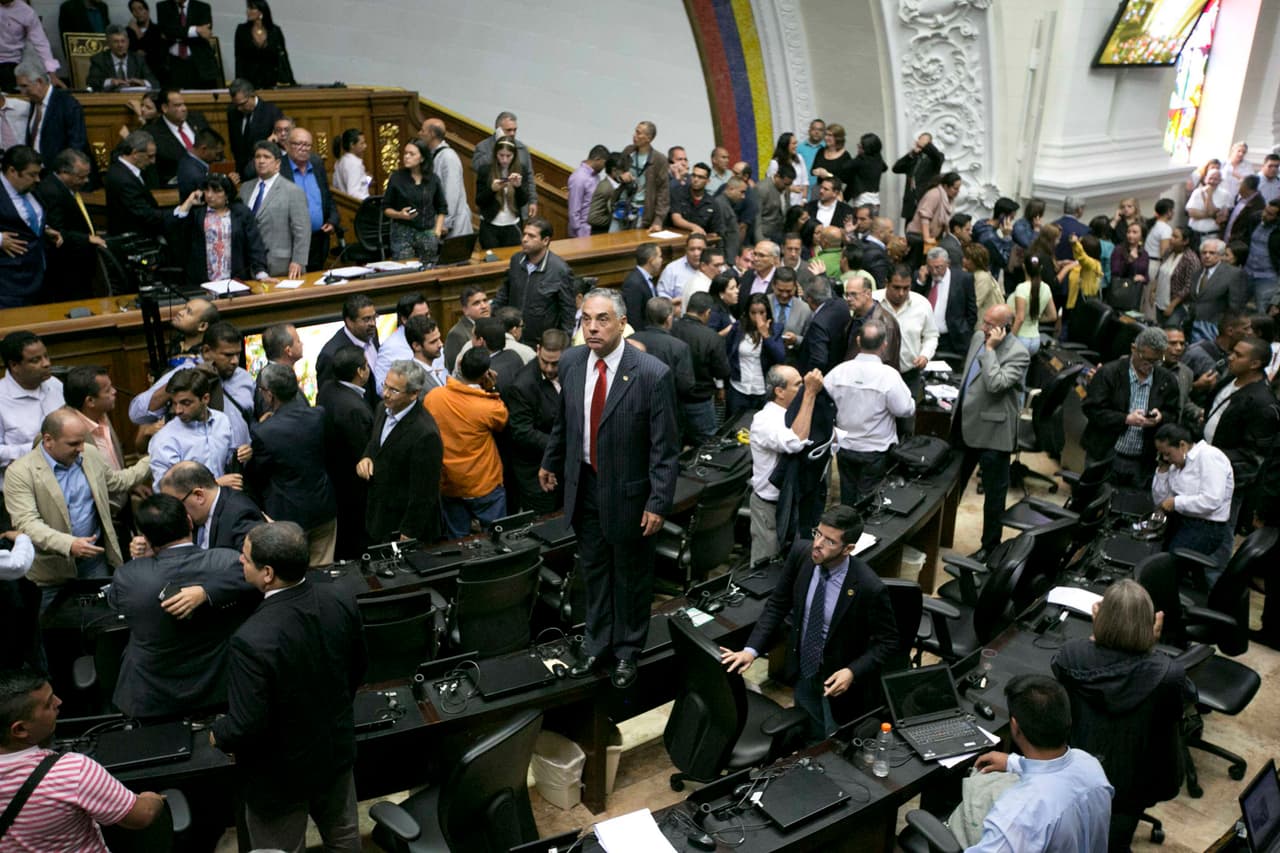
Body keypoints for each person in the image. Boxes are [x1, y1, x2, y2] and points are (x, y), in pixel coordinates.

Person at [538, 288, 679, 689]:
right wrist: (551, 461)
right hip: (584, 486)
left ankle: (627, 650)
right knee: (594, 571)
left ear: (621, 322)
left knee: (631, 578)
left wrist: (658, 500)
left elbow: (665, 448)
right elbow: (565, 423)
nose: (593, 327)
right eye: (586, 319)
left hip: (632, 495)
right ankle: (597, 643)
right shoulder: (571, 361)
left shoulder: (651, 373)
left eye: (602, 319)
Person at [210, 521, 366, 853]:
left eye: (245, 556)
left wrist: (218, 733)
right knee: (345, 841)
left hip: (278, 778)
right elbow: (357, 669)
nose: (240, 561)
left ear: (267, 573)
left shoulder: (250, 639)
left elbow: (246, 724)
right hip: (334, 753)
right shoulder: (340, 597)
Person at [722, 505, 897, 740]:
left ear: (849, 549)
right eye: (818, 534)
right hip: (804, 666)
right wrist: (751, 650)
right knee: (809, 733)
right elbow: (777, 604)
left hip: (839, 680)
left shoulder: (869, 587)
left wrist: (852, 672)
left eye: (830, 542)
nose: (818, 544)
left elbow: (888, 642)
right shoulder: (801, 554)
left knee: (837, 741)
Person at [1053, 579, 1195, 851]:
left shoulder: (1071, 656)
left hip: (1081, 773)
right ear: (1152, 624)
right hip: (1135, 780)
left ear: (1098, 616)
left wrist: (1098, 635)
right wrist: (1149, 646)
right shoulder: (1168, 674)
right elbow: (1183, 704)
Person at [108, 493, 254, 719]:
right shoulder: (228, 561)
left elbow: (118, 605)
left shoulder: (129, 576)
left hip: (152, 694)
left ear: (145, 537)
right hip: (220, 686)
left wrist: (142, 562)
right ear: (188, 521)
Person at [0, 670, 166, 850]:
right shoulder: (73, 771)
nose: (58, 702)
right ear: (20, 730)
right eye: (48, 704)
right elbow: (143, 816)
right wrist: (152, 798)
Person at [4, 408, 150, 603]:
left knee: (101, 618)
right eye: (73, 443)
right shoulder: (20, 472)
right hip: (50, 572)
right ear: (48, 441)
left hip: (94, 561)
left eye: (82, 441)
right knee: (53, 630)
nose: (81, 448)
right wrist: (69, 544)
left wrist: (153, 457)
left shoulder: (89, 454)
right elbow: (27, 524)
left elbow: (116, 482)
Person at [965, 675, 1113, 852]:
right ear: (1068, 719)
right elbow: (1055, 774)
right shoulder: (1089, 765)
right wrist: (1012, 762)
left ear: (1015, 727)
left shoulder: (1018, 816)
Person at [953, 305, 1029, 558]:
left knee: (994, 497)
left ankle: (990, 547)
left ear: (1004, 328)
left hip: (994, 433)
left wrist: (990, 350)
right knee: (950, 486)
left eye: (989, 325)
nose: (983, 329)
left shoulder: (1019, 353)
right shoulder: (977, 336)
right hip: (964, 424)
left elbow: (996, 384)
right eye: (983, 322)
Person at [249, 363, 337, 565]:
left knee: (293, 574)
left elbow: (258, 475)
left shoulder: (263, 432)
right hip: (323, 506)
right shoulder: (319, 415)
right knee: (324, 568)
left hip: (287, 515)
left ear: (270, 395)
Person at [825, 320, 915, 504]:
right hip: (876, 450)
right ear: (884, 345)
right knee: (869, 502)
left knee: (847, 498)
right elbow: (905, 409)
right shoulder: (888, 376)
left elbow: (823, 402)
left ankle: (848, 529)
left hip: (845, 447)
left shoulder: (839, 372)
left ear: (858, 341)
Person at [358, 360, 443, 544]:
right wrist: (366, 457)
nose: (385, 394)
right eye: (385, 386)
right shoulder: (383, 408)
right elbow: (376, 443)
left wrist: (409, 532)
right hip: (378, 515)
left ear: (414, 394)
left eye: (394, 390)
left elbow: (425, 492)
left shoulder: (425, 434)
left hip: (403, 527)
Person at [1203, 337, 1280, 528]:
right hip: (1205, 468)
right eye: (1232, 352)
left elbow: (1253, 457)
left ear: (1255, 364)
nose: (1230, 358)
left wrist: (1210, 460)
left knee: (1219, 531)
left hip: (1226, 481)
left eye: (1238, 355)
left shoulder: (1263, 403)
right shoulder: (1230, 379)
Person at [1152, 423, 1235, 578]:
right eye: (1162, 454)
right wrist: (1162, 470)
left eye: (1168, 454)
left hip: (1206, 528)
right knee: (1152, 551)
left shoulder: (1209, 456)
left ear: (1182, 445)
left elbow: (1211, 500)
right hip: (1182, 521)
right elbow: (1161, 500)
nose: (1165, 458)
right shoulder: (1176, 465)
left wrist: (1176, 502)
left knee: (1165, 568)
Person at [314, 347, 373, 559]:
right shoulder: (354, 409)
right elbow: (363, 453)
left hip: (333, 479)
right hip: (353, 487)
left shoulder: (328, 388)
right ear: (360, 371)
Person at [501, 329, 567, 514]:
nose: (549, 369)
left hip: (566, 470)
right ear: (538, 350)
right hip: (536, 473)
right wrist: (561, 445)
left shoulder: (572, 371)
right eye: (545, 361)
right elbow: (522, 432)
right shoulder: (523, 386)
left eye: (555, 363)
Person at [149, 367, 252, 485]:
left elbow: (228, 461)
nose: (178, 410)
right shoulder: (165, 439)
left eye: (185, 403)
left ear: (205, 399)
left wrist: (242, 455)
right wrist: (214, 485)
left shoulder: (222, 421)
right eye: (174, 403)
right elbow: (166, 489)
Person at [173, 173, 268, 287]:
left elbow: (254, 244)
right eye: (207, 190)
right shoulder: (197, 213)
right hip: (202, 281)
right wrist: (188, 203)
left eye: (216, 191)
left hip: (235, 280)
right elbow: (175, 230)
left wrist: (260, 272)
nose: (210, 195)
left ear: (227, 194)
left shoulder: (241, 213)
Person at [493, 217, 576, 342]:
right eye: (524, 234)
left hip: (540, 341)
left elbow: (568, 312)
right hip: (511, 336)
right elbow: (504, 293)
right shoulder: (516, 260)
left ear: (545, 240)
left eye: (531, 236)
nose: (524, 239)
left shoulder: (560, 270)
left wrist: (564, 342)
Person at [0, 332, 64, 491]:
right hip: (22, 490)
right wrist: (39, 448)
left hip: (64, 482)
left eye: (46, 356)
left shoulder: (54, 385)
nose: (46, 363)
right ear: (14, 365)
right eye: (35, 360)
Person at [155, 460, 263, 552]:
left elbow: (252, 567)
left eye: (176, 505)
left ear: (199, 496)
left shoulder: (239, 515)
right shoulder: (196, 515)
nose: (175, 512)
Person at [239, 140, 309, 279]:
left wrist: (298, 261)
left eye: (266, 157)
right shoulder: (245, 188)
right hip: (248, 264)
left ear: (277, 164)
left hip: (281, 264)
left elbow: (302, 230)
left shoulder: (292, 191)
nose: (261, 161)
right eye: (258, 157)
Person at [673, 291, 732, 445]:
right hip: (701, 401)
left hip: (673, 400)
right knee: (706, 446)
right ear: (707, 313)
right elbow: (722, 371)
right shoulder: (712, 337)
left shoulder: (671, 329)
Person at [277, 126, 338, 272]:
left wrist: (332, 220)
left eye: (307, 145)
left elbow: (327, 197)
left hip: (319, 238)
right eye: (298, 144)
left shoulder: (316, 164)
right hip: (291, 240)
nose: (303, 148)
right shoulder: (279, 166)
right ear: (287, 145)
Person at [1, 147, 53, 308]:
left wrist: (44, 229)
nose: (38, 179)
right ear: (12, 171)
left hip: (37, 276)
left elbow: (28, 220)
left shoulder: (29, 189)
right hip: (8, 285)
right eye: (32, 174)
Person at [14, 64, 87, 172]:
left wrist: (63, 173)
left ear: (39, 82)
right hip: (38, 173)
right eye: (20, 87)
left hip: (61, 173)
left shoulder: (66, 103)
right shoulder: (34, 102)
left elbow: (77, 143)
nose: (22, 92)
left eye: (25, 86)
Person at [726, 293, 786, 420]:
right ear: (747, 313)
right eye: (753, 313)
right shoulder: (738, 328)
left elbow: (780, 357)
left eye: (762, 312)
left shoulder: (775, 329)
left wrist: (766, 336)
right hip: (739, 388)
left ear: (767, 312)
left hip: (763, 390)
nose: (757, 317)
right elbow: (727, 353)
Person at [104, 131, 170, 239]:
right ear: (135, 154)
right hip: (135, 240)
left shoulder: (121, 168)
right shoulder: (123, 179)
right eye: (150, 156)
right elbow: (144, 213)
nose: (153, 161)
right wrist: (177, 213)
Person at [471, 111, 537, 218]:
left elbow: (529, 176)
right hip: (492, 208)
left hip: (515, 208)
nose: (512, 133)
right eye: (508, 130)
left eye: (515, 130)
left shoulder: (521, 148)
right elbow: (476, 167)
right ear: (498, 129)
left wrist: (533, 200)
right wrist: (497, 146)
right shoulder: (483, 147)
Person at [316, 293, 379, 404]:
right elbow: (328, 398)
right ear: (349, 322)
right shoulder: (330, 355)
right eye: (366, 319)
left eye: (374, 317)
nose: (373, 323)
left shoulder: (371, 333)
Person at [916, 245, 978, 355]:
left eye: (938, 267)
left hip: (952, 339)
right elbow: (914, 301)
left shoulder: (963, 279)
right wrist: (920, 282)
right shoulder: (923, 277)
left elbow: (971, 310)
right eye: (931, 267)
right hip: (925, 339)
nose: (934, 272)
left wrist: (965, 330)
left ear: (948, 264)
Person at [1187, 238, 1248, 344]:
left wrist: (1226, 329)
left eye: (1212, 253)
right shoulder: (1197, 274)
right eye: (1204, 253)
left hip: (1215, 328)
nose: (1207, 256)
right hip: (1194, 326)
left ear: (1220, 255)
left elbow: (1236, 306)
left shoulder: (1233, 274)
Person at [416, 118, 470, 239]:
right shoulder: (433, 155)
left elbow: (452, 193)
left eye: (422, 130)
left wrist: (445, 223)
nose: (419, 133)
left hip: (452, 227)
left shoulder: (448, 157)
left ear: (432, 134)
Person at [475, 138, 528, 249]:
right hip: (490, 226)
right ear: (495, 155)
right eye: (501, 155)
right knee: (491, 262)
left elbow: (523, 201)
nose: (504, 160)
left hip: (512, 225)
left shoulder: (521, 170)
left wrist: (518, 187)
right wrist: (492, 190)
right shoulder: (485, 171)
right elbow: (479, 201)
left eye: (508, 156)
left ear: (514, 156)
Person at [226, 78, 283, 179]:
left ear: (252, 95)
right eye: (236, 105)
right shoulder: (232, 112)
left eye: (242, 104)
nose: (239, 108)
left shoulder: (271, 111)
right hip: (242, 172)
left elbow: (281, 140)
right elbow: (235, 144)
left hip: (265, 171)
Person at [619, 120, 669, 233]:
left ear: (648, 138)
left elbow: (663, 192)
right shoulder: (628, 150)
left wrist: (658, 220)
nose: (634, 135)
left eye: (638, 133)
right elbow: (617, 170)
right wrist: (621, 175)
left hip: (642, 210)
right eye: (635, 132)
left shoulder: (659, 159)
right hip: (623, 204)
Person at [794, 274, 849, 375]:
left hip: (823, 377)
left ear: (809, 300)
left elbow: (819, 360)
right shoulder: (842, 304)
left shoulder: (818, 324)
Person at [156, 0, 218, 89]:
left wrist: (177, 32)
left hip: (197, 64)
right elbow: (166, 30)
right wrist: (195, 30)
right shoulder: (163, 6)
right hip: (172, 64)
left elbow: (205, 31)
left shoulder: (203, 7)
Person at [906, 171, 961, 269]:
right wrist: (927, 240)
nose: (957, 192)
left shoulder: (949, 200)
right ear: (945, 186)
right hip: (919, 237)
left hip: (932, 239)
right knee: (917, 267)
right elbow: (925, 216)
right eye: (955, 188)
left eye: (958, 189)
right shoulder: (934, 194)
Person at [234, 0, 294, 90]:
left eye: (252, 8)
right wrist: (239, 84)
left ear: (262, 11)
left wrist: (291, 81)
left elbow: (283, 56)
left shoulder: (275, 31)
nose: (248, 11)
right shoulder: (242, 30)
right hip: (249, 82)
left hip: (271, 82)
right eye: (248, 8)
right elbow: (238, 59)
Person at [1008, 254, 1058, 356]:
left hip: (1020, 339)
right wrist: (1034, 317)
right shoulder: (1046, 288)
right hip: (1035, 340)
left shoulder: (1022, 288)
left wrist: (1008, 342)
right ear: (1041, 268)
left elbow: (1020, 319)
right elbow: (1053, 316)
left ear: (1023, 266)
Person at [891, 131, 944, 226]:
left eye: (924, 141)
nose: (920, 143)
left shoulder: (936, 158)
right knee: (908, 232)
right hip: (910, 204)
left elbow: (936, 157)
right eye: (919, 140)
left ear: (930, 143)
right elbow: (896, 168)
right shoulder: (913, 158)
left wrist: (926, 146)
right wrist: (911, 154)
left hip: (924, 201)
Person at [87, 23, 159, 91]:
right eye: (116, 42)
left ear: (128, 42)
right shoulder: (99, 59)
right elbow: (92, 82)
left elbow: (155, 83)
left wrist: (142, 82)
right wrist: (111, 82)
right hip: (110, 100)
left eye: (123, 41)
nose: (120, 45)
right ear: (108, 44)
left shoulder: (138, 59)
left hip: (134, 99)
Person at [1153, 225, 1201, 325]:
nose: (1171, 239)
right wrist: (1153, 289)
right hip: (1161, 299)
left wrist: (1172, 305)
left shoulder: (1191, 260)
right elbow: (1160, 271)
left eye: (1175, 237)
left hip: (1177, 305)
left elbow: (1188, 287)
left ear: (1185, 241)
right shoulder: (1168, 252)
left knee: (1170, 330)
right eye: (1171, 235)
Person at [1244, 198, 1280, 311]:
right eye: (1265, 210)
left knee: (1262, 310)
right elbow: (1245, 239)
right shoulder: (1255, 219)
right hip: (1247, 272)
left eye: (1270, 214)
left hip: (1268, 277)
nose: (1264, 215)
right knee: (1237, 305)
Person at [445, 286, 491, 373]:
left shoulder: (493, 324)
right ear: (465, 310)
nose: (484, 306)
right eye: (477, 303)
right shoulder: (456, 334)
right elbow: (454, 368)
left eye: (485, 300)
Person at [669, 160, 720, 236]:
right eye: (694, 175)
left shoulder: (712, 203)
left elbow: (715, 231)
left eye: (700, 177)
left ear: (707, 181)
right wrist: (694, 227)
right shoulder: (678, 193)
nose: (696, 179)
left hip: (699, 242)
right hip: (677, 239)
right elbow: (676, 219)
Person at [621, 242, 662, 331]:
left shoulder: (646, 278)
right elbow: (634, 317)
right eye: (659, 256)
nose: (661, 260)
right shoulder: (633, 283)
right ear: (651, 260)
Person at [126, 0, 167, 87]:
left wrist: (137, 32)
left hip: (156, 71)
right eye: (134, 10)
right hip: (135, 72)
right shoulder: (128, 31)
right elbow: (130, 51)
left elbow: (155, 50)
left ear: (147, 10)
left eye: (140, 8)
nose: (137, 12)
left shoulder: (158, 29)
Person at [755, 161, 794, 245]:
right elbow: (756, 218)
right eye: (785, 184)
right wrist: (760, 241)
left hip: (780, 234)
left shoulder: (786, 188)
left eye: (789, 184)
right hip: (765, 235)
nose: (787, 187)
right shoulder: (762, 189)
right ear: (777, 176)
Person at [331, 128, 370, 200]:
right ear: (352, 145)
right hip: (358, 207)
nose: (365, 146)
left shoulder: (340, 161)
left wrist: (367, 179)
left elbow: (336, 185)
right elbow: (353, 193)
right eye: (362, 143)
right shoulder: (354, 163)